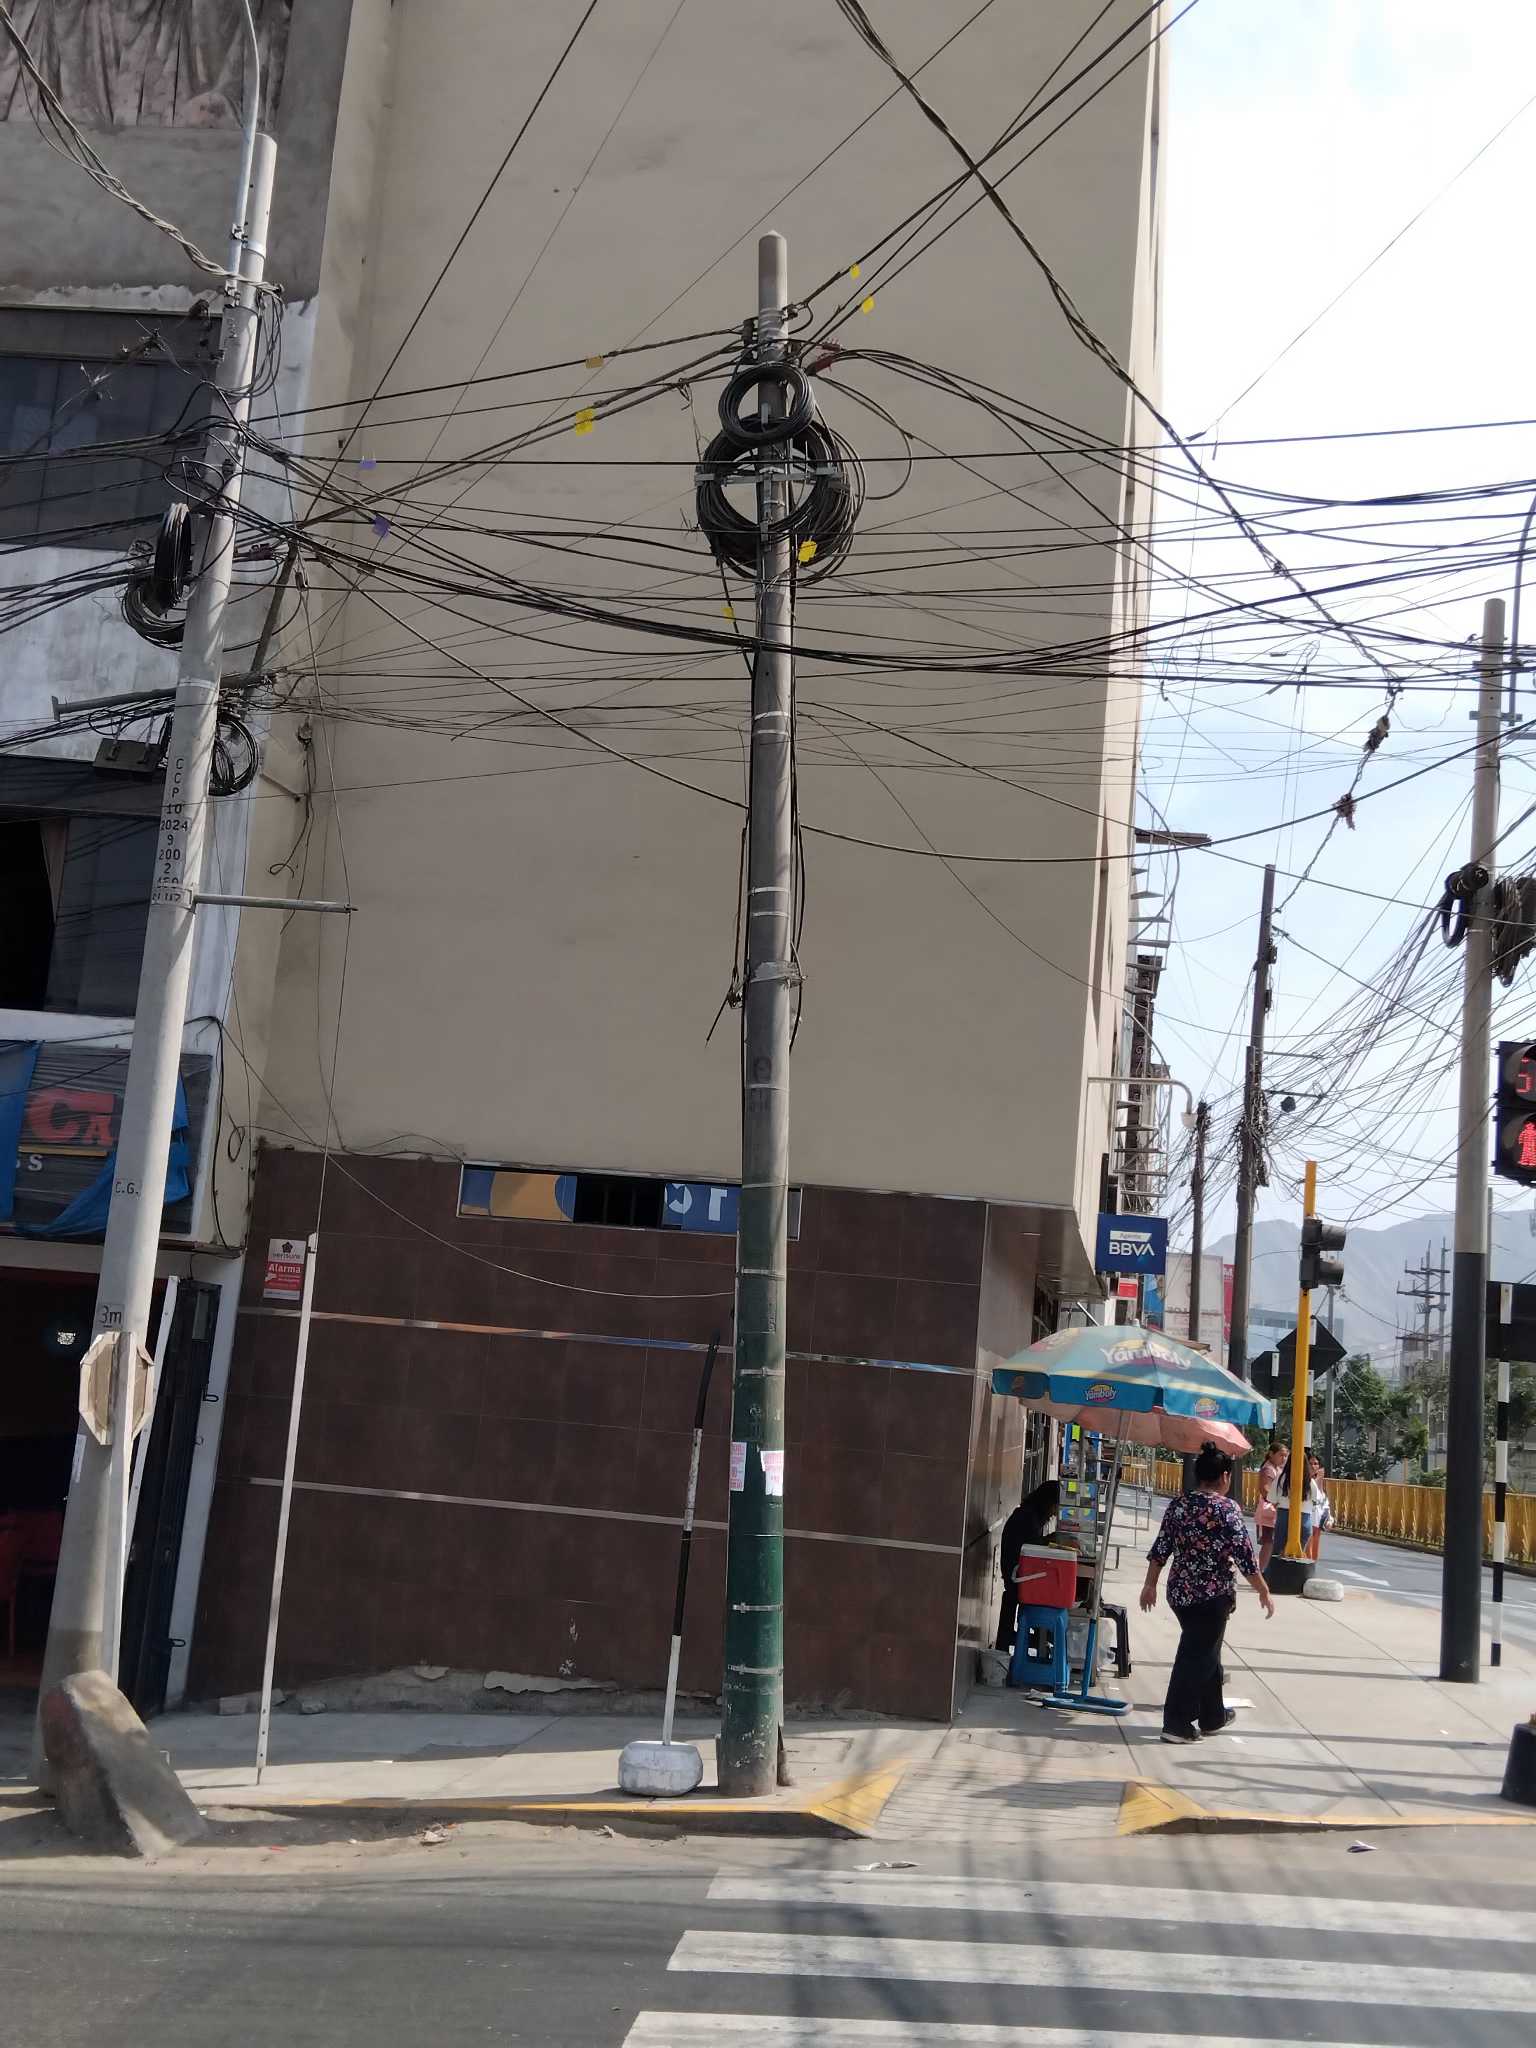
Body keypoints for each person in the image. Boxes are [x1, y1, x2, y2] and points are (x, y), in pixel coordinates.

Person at [1141, 1442, 1274, 1743]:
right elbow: (1244, 1556)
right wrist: (1263, 1590)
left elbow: (1161, 1549)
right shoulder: (1227, 1509)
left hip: (1180, 1594)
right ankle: (1176, 1723)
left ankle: (1213, 1716)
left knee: (1205, 1650)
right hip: (1212, 1596)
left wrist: (1150, 1585)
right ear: (1225, 1476)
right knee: (1196, 1655)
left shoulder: (1179, 1505)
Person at [995, 1479, 1062, 1651]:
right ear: (1048, 1502)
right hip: (1017, 1576)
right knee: (1054, 1594)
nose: (1055, 1513)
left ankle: (1041, 1639)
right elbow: (1031, 1549)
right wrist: (1052, 1540)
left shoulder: (1029, 1514)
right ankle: (1042, 1638)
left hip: (1018, 1572)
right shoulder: (1028, 1517)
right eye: (1055, 1506)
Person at [1255, 1440, 1287, 1575]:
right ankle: (1261, 1570)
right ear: (1271, 1454)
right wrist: (1277, 1501)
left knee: (1271, 1542)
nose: (1283, 1458)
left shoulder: (1277, 1469)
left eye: (1285, 1456)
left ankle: (1265, 1570)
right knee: (1268, 1543)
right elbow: (1265, 1489)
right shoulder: (1268, 1469)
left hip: (1273, 1508)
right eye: (1281, 1455)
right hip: (1268, 1509)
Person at [1307, 1452, 1333, 1561]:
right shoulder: (1306, 1481)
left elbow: (1324, 1503)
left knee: (1314, 1552)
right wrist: (1316, 1480)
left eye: (1316, 1464)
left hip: (1317, 1522)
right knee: (1307, 1550)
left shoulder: (1320, 1483)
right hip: (1307, 1520)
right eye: (1310, 1463)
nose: (1313, 1466)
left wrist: (1329, 1518)